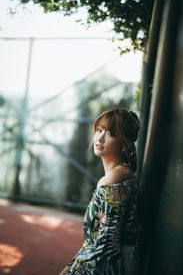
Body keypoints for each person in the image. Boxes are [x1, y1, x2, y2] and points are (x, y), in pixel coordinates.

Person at [59, 107, 142, 275]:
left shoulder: (112, 181)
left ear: (124, 143)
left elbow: (106, 245)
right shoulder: (124, 174)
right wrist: (71, 265)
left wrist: (73, 270)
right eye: (99, 130)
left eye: (111, 133)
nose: (100, 138)